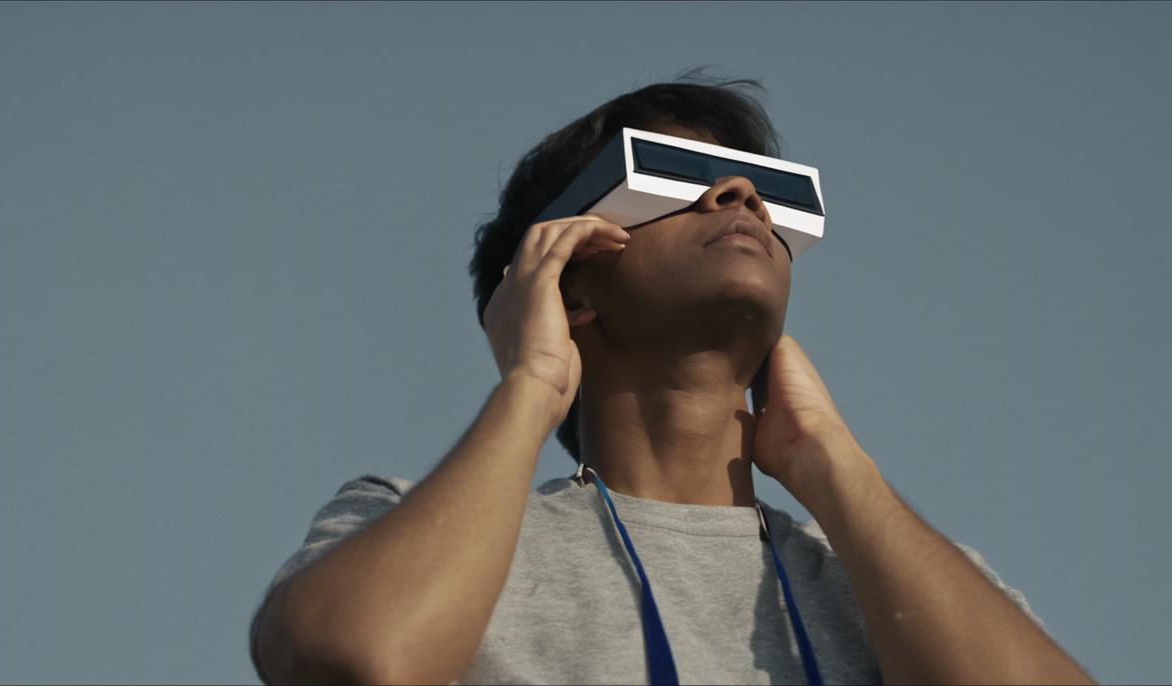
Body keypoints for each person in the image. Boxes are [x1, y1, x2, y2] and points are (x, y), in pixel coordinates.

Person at [247, 73, 1097, 685]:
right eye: (671, 176)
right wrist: (532, 385)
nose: (739, 196)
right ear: (566, 272)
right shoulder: (403, 524)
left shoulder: (891, 570)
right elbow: (355, 658)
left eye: (767, 192)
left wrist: (832, 465)